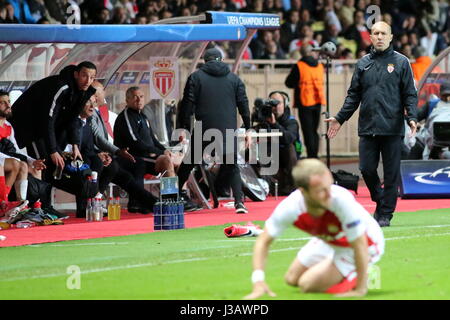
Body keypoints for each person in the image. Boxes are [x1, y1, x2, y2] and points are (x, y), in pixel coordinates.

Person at [244, 159, 384, 299]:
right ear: (303, 191)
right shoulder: (290, 207)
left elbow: (360, 243)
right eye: (320, 190)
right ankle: (338, 271)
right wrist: (258, 281)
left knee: (307, 285)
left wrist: (360, 289)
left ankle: (362, 274)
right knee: (292, 279)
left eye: (329, 186)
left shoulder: (340, 200)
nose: (329, 193)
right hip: (331, 240)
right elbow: (263, 241)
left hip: (365, 243)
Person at [325, 21, 418, 227]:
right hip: (368, 127)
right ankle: (381, 199)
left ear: (391, 37)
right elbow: (353, 96)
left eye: (383, 33)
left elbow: (410, 94)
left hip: (392, 128)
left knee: (391, 174)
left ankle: (385, 214)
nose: (379, 37)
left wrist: (412, 117)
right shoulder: (363, 63)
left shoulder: (402, 62)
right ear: (370, 37)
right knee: (366, 169)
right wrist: (340, 118)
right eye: (375, 33)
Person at [176, 48, 251, 214]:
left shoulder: (195, 77)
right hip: (227, 129)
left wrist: (183, 128)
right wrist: (248, 128)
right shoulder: (234, 79)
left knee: (189, 162)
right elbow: (243, 104)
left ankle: (174, 196)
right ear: (221, 60)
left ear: (204, 61)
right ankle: (239, 203)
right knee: (232, 166)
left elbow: (187, 106)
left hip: (204, 128)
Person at [10, 61, 97, 182]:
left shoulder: (84, 92)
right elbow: (47, 119)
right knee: (42, 162)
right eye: (84, 76)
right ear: (76, 74)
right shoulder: (62, 87)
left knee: (53, 164)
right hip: (30, 124)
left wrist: (75, 145)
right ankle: (36, 199)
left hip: (46, 126)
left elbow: (73, 119)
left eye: (92, 77)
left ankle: (43, 199)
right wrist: (53, 150)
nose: (88, 81)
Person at [71, 96, 158, 217]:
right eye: (90, 100)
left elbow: (94, 142)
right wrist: (103, 154)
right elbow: (82, 144)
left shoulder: (89, 119)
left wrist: (111, 153)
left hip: (99, 156)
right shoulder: (75, 121)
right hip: (80, 160)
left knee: (126, 172)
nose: (94, 102)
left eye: (93, 100)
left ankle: (153, 203)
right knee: (98, 164)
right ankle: (88, 205)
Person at [113, 86, 176, 213]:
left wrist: (164, 150)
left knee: (173, 159)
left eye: (141, 97)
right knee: (166, 161)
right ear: (127, 100)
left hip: (145, 157)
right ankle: (171, 201)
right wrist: (160, 153)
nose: (139, 100)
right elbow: (135, 142)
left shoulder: (143, 116)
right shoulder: (126, 116)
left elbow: (153, 139)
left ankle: (174, 198)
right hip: (132, 157)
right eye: (135, 97)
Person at [285, 43, 325, 159]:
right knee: (314, 131)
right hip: (317, 101)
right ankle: (315, 155)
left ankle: (311, 157)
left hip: (305, 102)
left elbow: (289, 83)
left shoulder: (299, 65)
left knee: (307, 131)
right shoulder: (319, 66)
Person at [260, 91, 300, 195]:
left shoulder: (291, 122)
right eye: (272, 104)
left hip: (287, 158)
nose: (275, 107)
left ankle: (294, 186)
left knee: (289, 147)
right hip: (271, 158)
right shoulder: (264, 120)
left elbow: (288, 138)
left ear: (285, 104)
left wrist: (274, 124)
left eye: (279, 103)